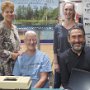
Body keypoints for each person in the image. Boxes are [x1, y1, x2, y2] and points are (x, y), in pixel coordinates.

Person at [53, 2, 77, 88]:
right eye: (66, 9)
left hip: (74, 62)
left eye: (70, 9)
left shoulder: (78, 26)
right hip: (60, 62)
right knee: (56, 85)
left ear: (73, 11)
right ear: (63, 11)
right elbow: (55, 47)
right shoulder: (57, 28)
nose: (68, 12)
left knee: (73, 86)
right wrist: (56, 63)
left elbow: (82, 45)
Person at [59, 24, 90, 89]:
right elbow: (65, 83)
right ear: (68, 39)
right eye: (73, 37)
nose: (77, 40)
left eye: (80, 36)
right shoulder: (63, 58)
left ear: (84, 38)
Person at [0, 1, 20, 75]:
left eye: (11, 12)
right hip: (3, 68)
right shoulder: (1, 28)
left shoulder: (15, 28)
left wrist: (18, 52)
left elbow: (15, 45)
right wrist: (11, 54)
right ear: (3, 14)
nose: (9, 14)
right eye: (7, 12)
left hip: (15, 65)